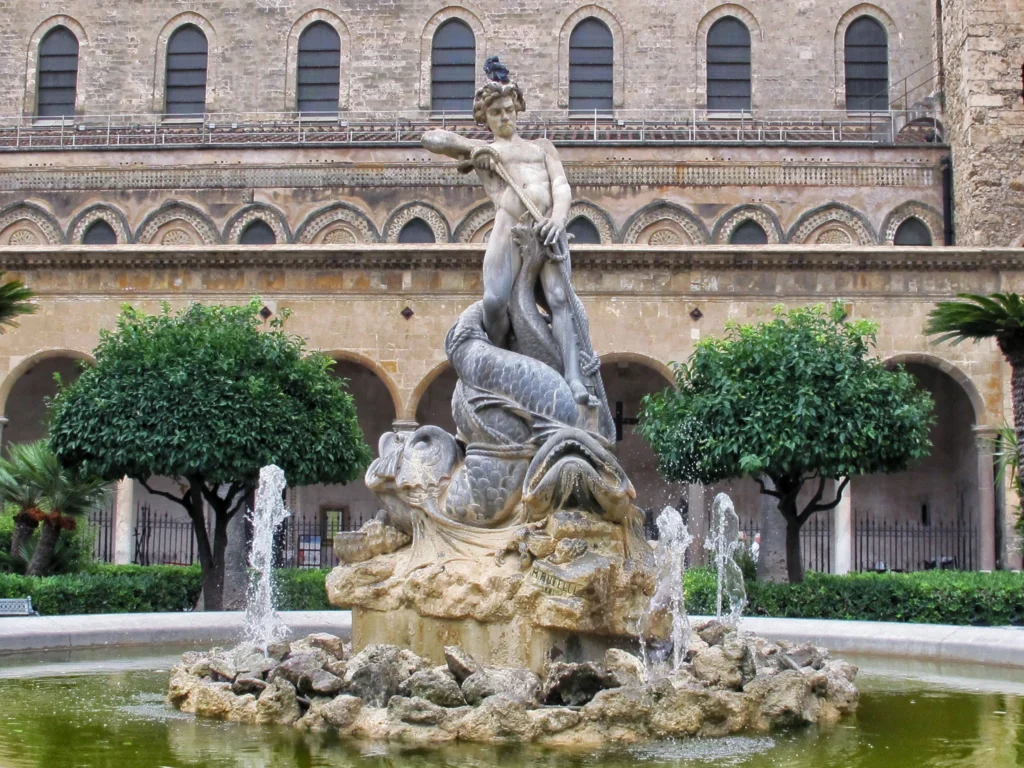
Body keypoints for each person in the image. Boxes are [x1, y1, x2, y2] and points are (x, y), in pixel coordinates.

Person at [422, 62, 590, 404]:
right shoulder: (488, 152)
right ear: (486, 118)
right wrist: (475, 150)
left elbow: (561, 186)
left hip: (545, 228)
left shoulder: (542, 148)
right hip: (509, 226)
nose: (504, 117)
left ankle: (573, 378)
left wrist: (558, 220)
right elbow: (432, 139)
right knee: (494, 301)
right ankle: (500, 365)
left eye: (509, 110)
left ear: (518, 110)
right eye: (496, 113)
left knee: (560, 300)